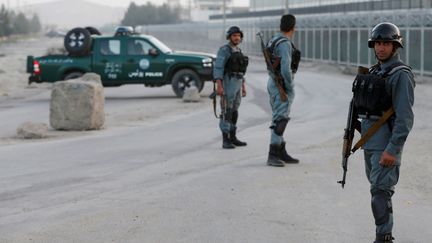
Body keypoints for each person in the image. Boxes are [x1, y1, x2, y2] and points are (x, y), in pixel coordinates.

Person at [355, 22, 415, 243]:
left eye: (386, 43)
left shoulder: (400, 74)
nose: (381, 48)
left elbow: (405, 118)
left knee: (381, 194)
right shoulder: (375, 71)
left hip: (385, 146)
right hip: (370, 143)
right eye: (378, 43)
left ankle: (384, 237)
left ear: (395, 45)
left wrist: (393, 149)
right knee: (376, 191)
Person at [266, 14, 300, 166]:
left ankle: (281, 151)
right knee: (280, 120)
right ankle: (272, 155)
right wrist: (290, 86)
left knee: (280, 118)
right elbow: (285, 69)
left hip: (273, 82)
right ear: (293, 27)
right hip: (281, 85)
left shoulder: (273, 39)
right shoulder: (284, 43)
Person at [213, 26, 249, 149]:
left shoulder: (238, 50)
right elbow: (218, 68)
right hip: (228, 82)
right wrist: (219, 85)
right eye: (234, 36)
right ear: (229, 37)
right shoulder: (224, 50)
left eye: (238, 36)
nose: (237, 38)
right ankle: (225, 139)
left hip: (238, 82)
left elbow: (241, 70)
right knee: (226, 110)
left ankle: (233, 137)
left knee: (234, 110)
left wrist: (243, 87)